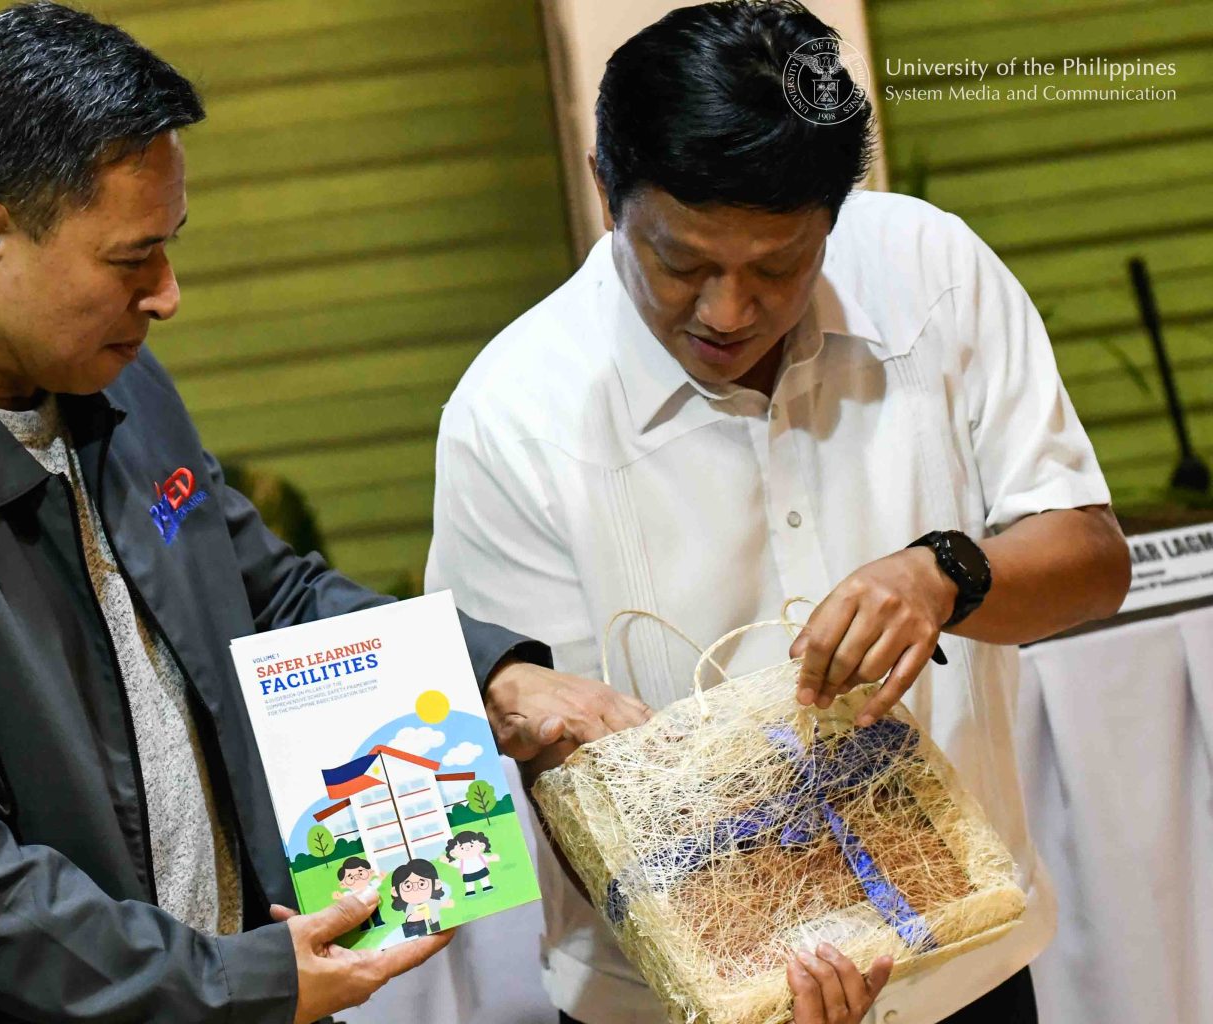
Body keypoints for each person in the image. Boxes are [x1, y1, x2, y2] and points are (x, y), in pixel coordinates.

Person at [0, 4, 592, 1022]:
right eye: (132, 261)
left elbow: (260, 590)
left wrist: (491, 672)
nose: (167, 294)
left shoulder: (114, 384)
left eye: (170, 248)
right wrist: (241, 980)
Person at [425, 4, 1131, 1024]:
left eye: (777, 267)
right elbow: (565, 775)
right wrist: (751, 959)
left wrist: (946, 573)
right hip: (672, 998)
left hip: (959, 961)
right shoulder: (513, 415)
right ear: (603, 187)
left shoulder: (934, 273)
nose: (727, 309)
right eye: (682, 263)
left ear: (836, 218)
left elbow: (1093, 563)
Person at [390, 860, 454, 938]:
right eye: (408, 886)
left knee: (436, 927)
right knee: (422, 935)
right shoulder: (410, 906)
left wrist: (445, 904)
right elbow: (410, 921)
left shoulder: (432, 901)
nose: (415, 889)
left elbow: (438, 905)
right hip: (419, 925)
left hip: (433, 920)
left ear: (436, 884)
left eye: (422, 884)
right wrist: (413, 918)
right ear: (395, 892)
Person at [333, 857, 385, 930]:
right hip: (359, 908)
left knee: (375, 914)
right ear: (343, 884)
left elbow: (375, 883)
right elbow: (347, 896)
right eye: (351, 878)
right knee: (363, 918)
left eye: (360, 873)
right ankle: (365, 927)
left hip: (373, 903)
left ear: (371, 872)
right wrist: (340, 897)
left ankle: (378, 922)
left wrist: (380, 878)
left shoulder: (369, 886)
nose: (357, 878)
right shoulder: (351, 893)